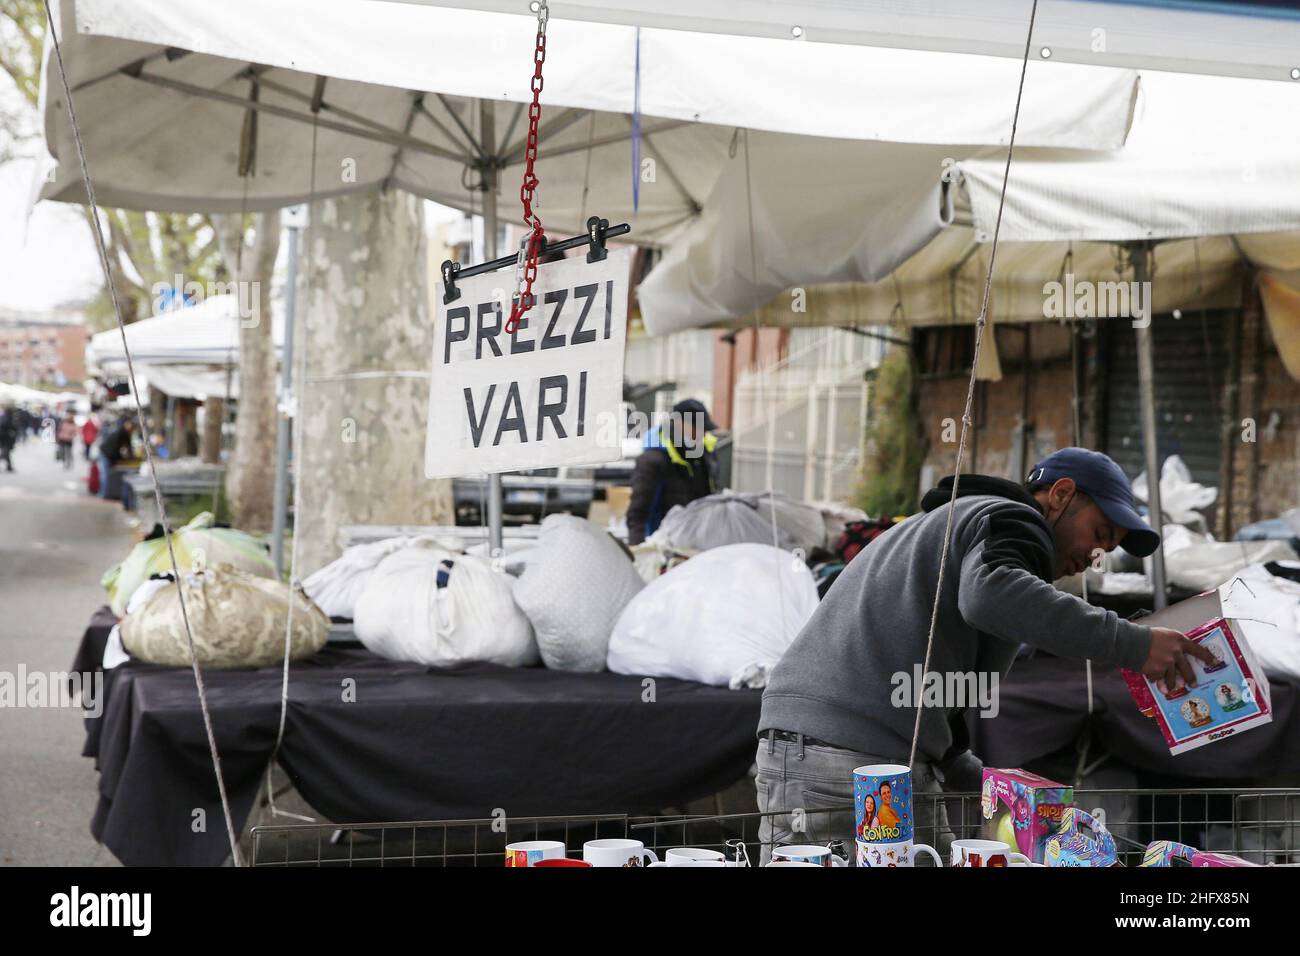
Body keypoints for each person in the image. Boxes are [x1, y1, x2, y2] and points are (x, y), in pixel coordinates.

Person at [754, 447, 1216, 864]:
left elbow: (933, 680)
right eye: (1099, 533)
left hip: (839, 747)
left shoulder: (967, 522)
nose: (1094, 556)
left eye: (1108, 549)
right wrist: (1133, 644)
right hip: (843, 753)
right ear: (1060, 494)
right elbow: (990, 596)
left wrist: (978, 776)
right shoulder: (1015, 522)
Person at [625, 399, 720, 545]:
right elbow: (637, 514)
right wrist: (640, 553)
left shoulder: (704, 457)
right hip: (661, 548)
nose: (702, 435)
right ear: (679, 425)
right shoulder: (653, 460)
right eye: (697, 429)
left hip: (697, 546)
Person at [97, 417, 136, 500]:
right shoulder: (121, 433)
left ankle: (105, 493)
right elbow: (114, 450)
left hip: (108, 453)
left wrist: (129, 458)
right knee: (105, 475)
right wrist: (118, 461)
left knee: (106, 475)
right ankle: (103, 494)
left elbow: (128, 448)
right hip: (105, 453)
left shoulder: (125, 434)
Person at [0, 405, 17, 472]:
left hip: (4, 438)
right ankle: (9, 467)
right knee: (5, 453)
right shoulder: (8, 418)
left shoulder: (4, 417)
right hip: (6, 438)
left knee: (6, 453)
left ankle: (9, 467)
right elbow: (8, 426)